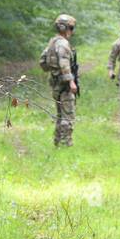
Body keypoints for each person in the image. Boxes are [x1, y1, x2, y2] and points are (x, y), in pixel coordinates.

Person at [42, 14, 78, 147]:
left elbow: (42, 61)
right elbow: (64, 63)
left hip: (55, 81)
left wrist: (53, 70)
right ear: (67, 28)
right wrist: (70, 81)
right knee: (67, 114)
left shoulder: (53, 42)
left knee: (59, 113)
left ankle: (57, 141)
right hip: (63, 84)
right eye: (71, 28)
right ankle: (65, 142)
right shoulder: (63, 44)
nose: (72, 31)